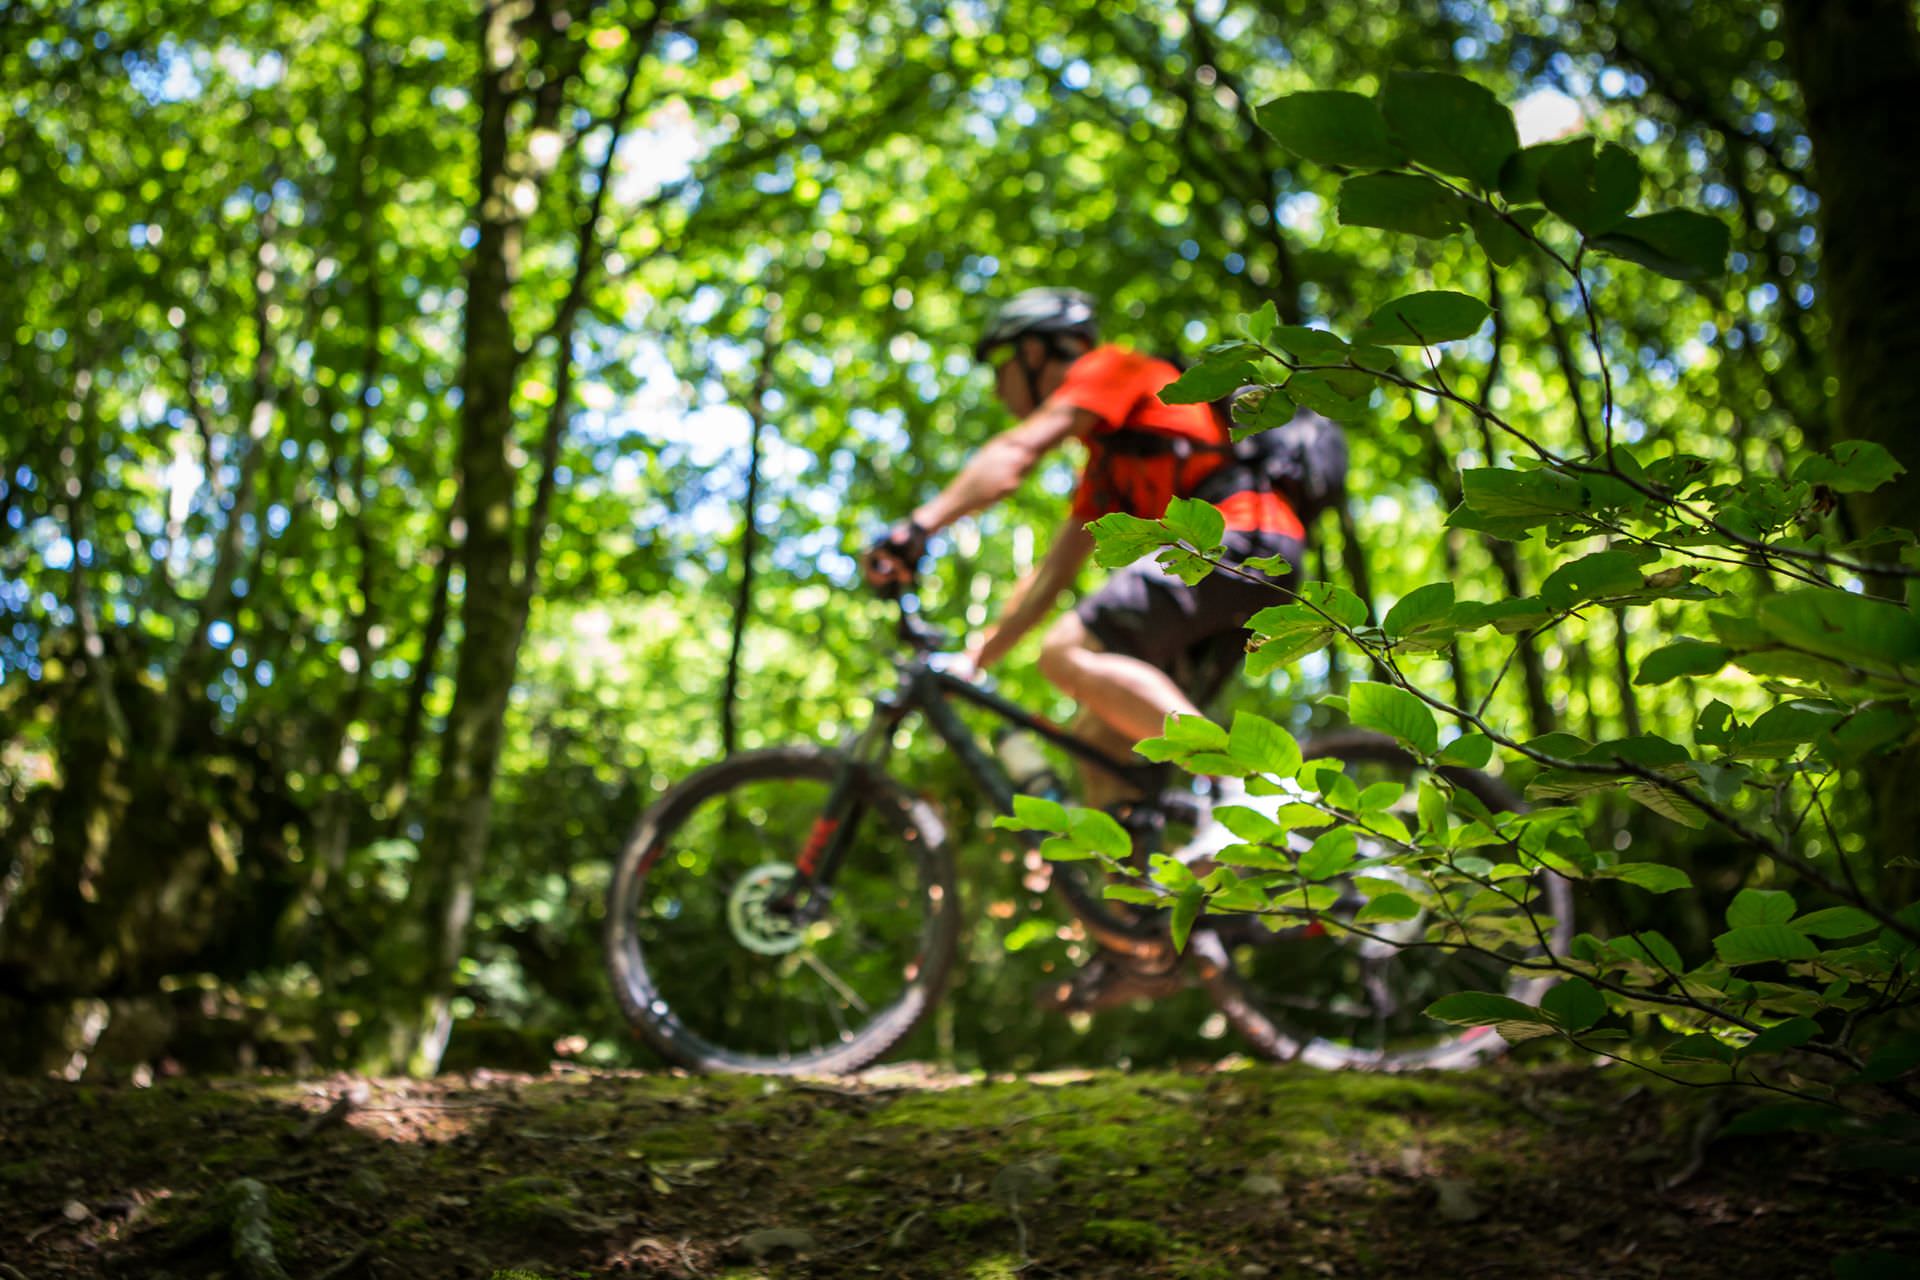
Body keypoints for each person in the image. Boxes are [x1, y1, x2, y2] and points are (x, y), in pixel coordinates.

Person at [863, 287, 1308, 1009]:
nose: (998, 383)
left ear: (1039, 351)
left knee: (1065, 653)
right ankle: (1144, 944)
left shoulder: (1114, 368)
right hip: (1233, 568)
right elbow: (1051, 575)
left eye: (1002, 364)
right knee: (1101, 744)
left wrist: (919, 525)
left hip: (1242, 537)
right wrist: (974, 660)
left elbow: (1015, 455)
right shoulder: (1108, 465)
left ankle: (1243, 793)